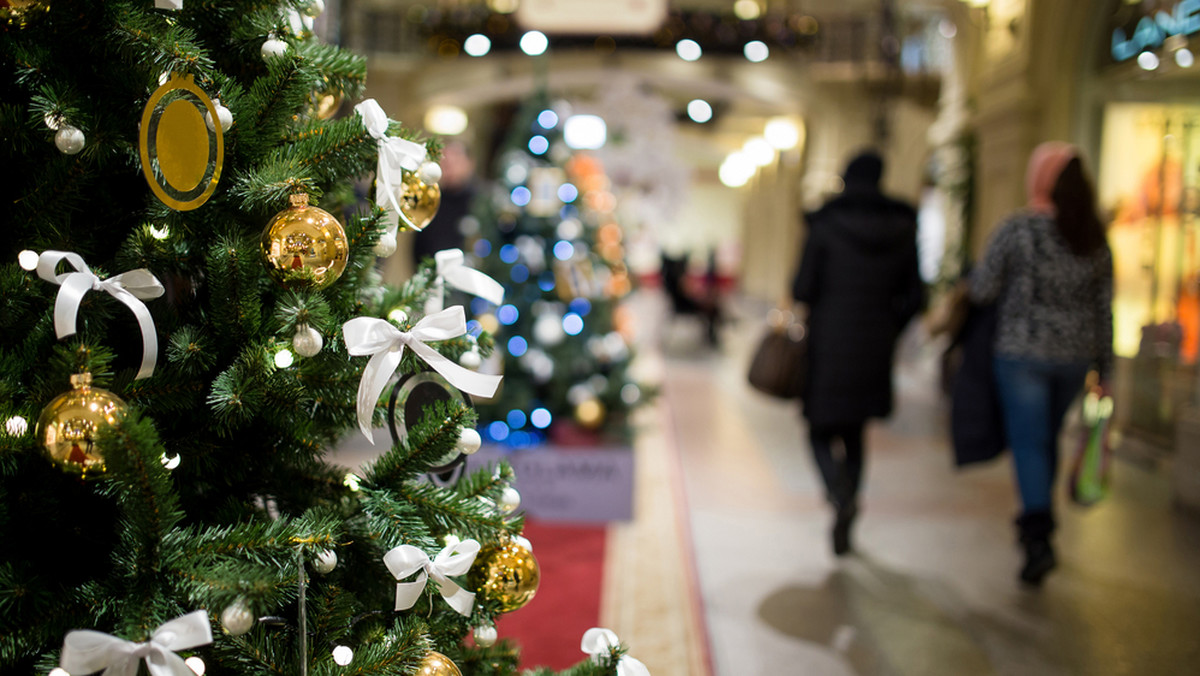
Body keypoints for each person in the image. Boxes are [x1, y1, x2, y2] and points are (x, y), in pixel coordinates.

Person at [968, 141, 1113, 586]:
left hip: (1022, 353)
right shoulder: (1092, 236)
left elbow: (983, 288)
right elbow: (1104, 306)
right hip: (1075, 357)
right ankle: (1040, 519)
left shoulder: (1019, 230)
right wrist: (1106, 369)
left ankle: (1037, 534)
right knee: (1044, 439)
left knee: (1029, 442)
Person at [792, 150, 925, 556]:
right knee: (854, 431)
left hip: (830, 341)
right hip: (875, 343)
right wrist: (888, 326)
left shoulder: (826, 224)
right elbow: (916, 296)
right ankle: (847, 498)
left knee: (818, 428)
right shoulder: (901, 227)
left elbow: (802, 288)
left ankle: (838, 493)